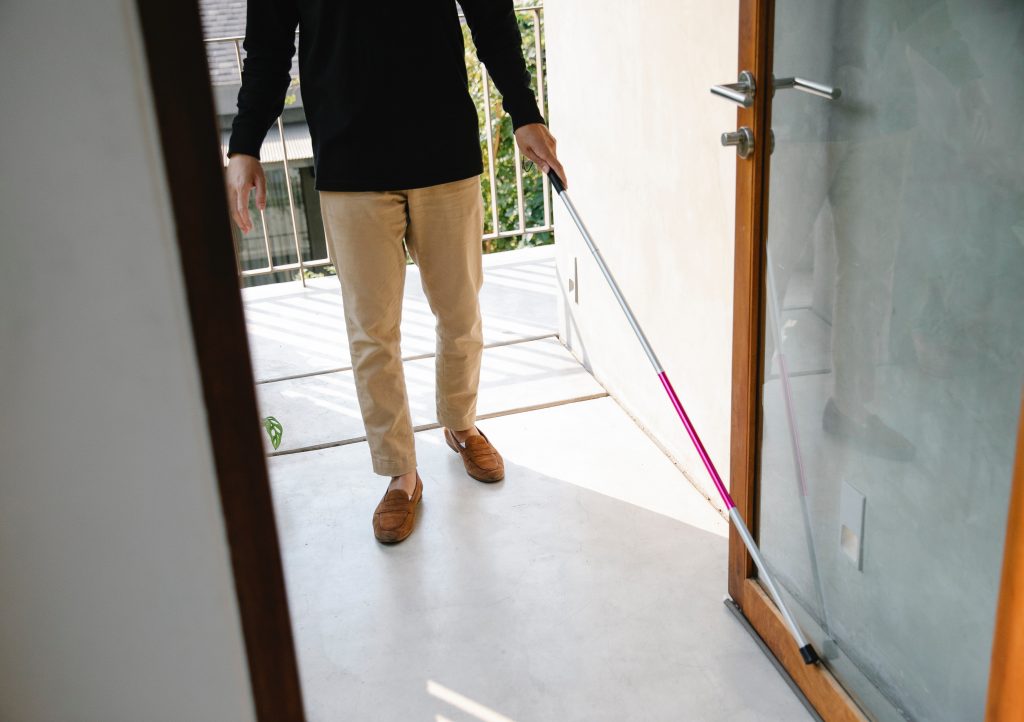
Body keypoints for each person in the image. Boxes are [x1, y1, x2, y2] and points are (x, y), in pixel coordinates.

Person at [225, 1, 566, 544]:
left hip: (443, 149)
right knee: (372, 332)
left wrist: (524, 112)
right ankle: (400, 473)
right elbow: (267, 50)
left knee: (460, 310)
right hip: (349, 163)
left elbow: (491, 17)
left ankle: (460, 424)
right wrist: (244, 144)